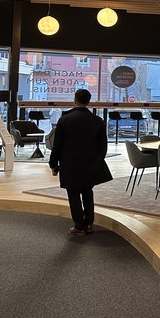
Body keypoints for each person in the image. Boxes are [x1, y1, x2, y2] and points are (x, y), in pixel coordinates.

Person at [49, 89, 112, 236]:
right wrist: (98, 160)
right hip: (91, 163)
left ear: (74, 100)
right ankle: (89, 223)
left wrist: (53, 164)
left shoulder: (65, 120)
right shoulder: (98, 121)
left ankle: (79, 225)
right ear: (88, 102)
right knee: (87, 191)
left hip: (70, 163)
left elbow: (57, 145)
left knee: (73, 193)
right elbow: (103, 146)